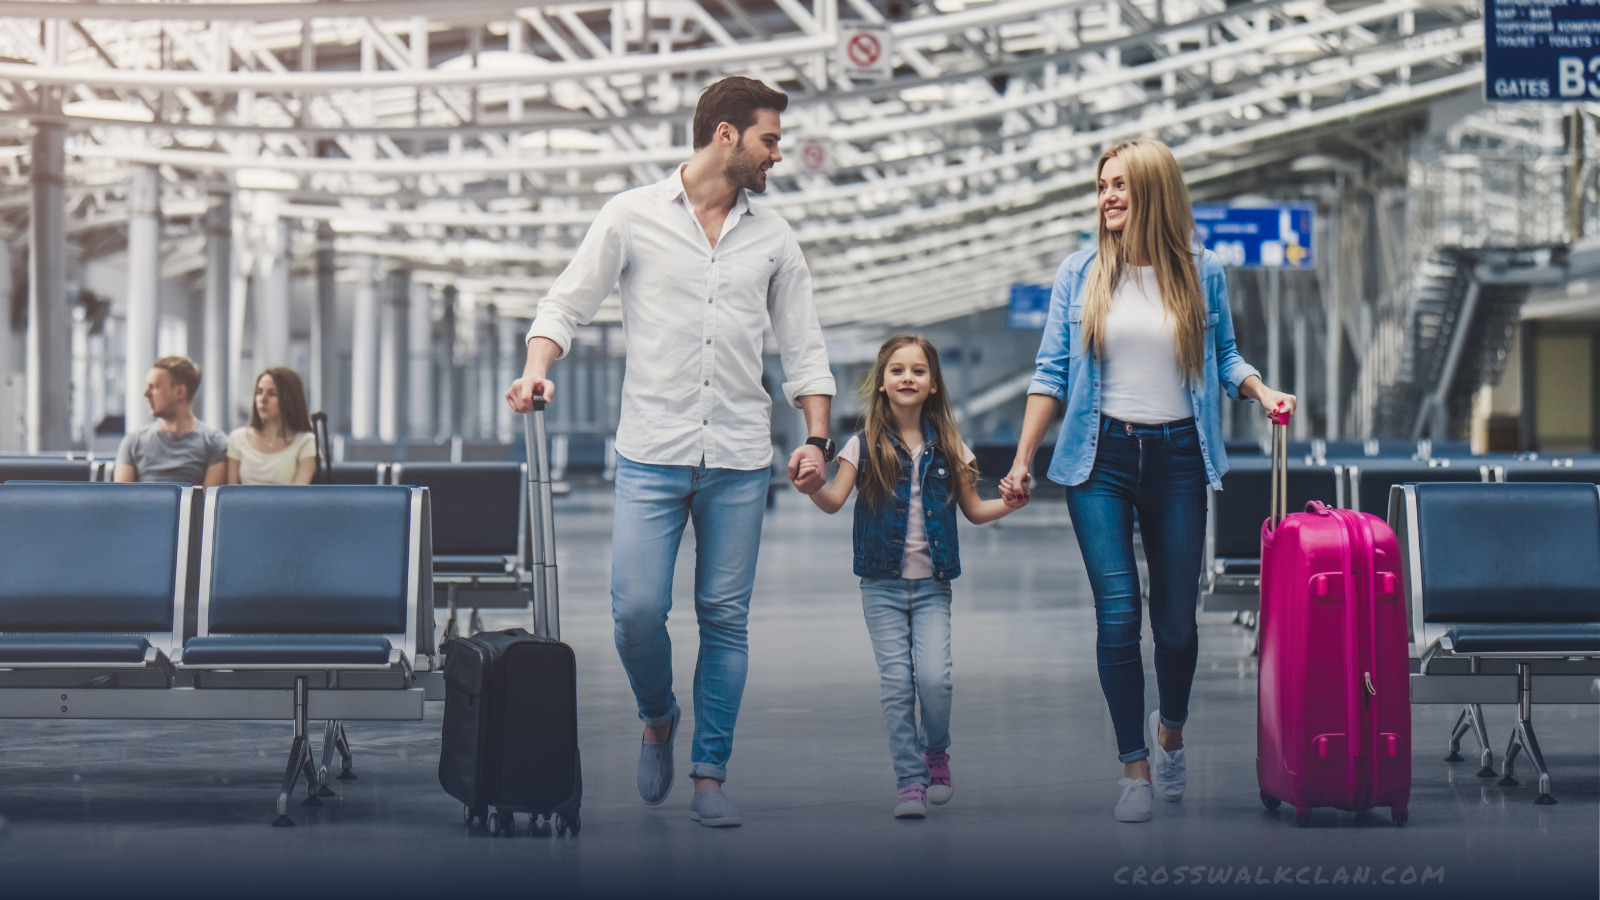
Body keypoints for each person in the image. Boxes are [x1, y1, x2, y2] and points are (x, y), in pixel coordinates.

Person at [504, 76, 836, 828]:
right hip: (652, 450)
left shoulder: (774, 238)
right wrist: (536, 369)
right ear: (726, 134)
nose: (778, 154)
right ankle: (658, 714)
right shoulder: (631, 217)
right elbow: (566, 302)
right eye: (769, 139)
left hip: (741, 458)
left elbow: (804, 349)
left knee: (724, 617)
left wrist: (815, 438)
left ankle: (709, 775)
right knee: (637, 612)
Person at [1000, 138, 1297, 824]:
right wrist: (1022, 459)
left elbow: (1223, 357)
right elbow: (1050, 373)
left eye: (1122, 186)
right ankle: (1133, 766)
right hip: (1097, 457)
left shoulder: (1202, 272)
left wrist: (1260, 389)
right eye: (1102, 185)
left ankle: (1172, 731)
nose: (1107, 196)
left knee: (1175, 628)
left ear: (1154, 192)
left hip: (1178, 458)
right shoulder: (1080, 272)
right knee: (1116, 614)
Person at [799, 335, 1028, 819]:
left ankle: (936, 749)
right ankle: (910, 782)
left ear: (933, 384)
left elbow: (973, 510)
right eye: (897, 370)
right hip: (880, 587)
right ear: (881, 384)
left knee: (935, 680)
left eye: (918, 371)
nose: (908, 378)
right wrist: (813, 487)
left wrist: (1007, 504)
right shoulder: (861, 445)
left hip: (932, 589)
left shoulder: (952, 446)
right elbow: (834, 500)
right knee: (897, 685)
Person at [114, 355, 228, 486]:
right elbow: (122, 500)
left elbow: (209, 503)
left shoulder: (215, 442)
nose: (146, 394)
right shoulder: (133, 442)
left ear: (179, 392)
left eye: (154, 387)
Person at [227, 368, 317, 486]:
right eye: (259, 392)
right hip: (244, 504)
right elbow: (230, 494)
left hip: (287, 504)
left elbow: (298, 496)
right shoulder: (237, 438)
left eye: (272, 394)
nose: (262, 400)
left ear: (289, 399)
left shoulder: (306, 441)